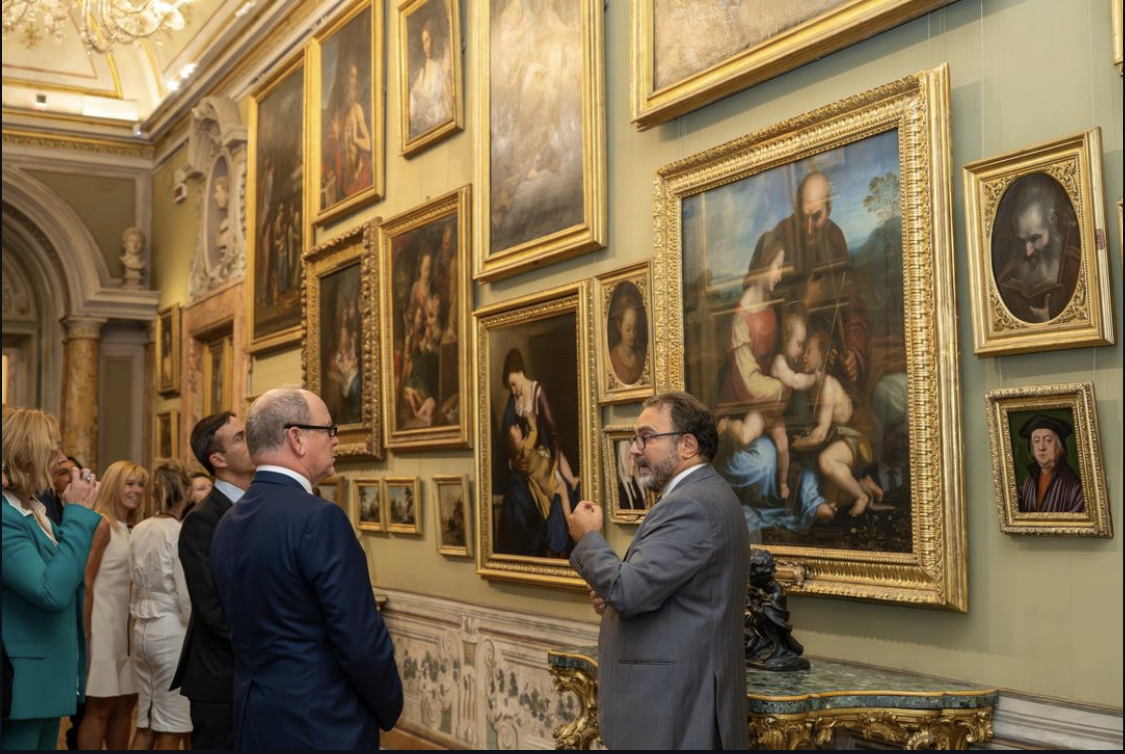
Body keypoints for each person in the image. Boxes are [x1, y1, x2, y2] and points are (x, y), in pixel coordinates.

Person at [211, 389, 402, 748]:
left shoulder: (229, 521)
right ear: (296, 438)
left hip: (255, 719)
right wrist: (390, 705)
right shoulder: (319, 518)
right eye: (329, 429)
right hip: (321, 722)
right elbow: (358, 638)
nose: (336, 440)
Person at [567, 391, 749, 750]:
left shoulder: (691, 504)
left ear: (687, 445)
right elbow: (664, 589)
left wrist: (588, 538)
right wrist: (611, 596)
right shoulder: (703, 495)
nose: (635, 450)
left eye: (646, 437)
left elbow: (629, 592)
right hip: (678, 705)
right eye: (636, 438)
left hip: (673, 712)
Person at [2, 409, 101, 750]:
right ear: (26, 455)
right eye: (53, 448)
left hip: (46, 678)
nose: (63, 459)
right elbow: (51, 591)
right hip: (21, 683)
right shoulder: (6, 517)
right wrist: (78, 515)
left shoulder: (36, 512)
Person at [171, 412, 255, 750]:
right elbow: (212, 607)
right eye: (240, 437)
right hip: (221, 676)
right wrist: (272, 645)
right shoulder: (202, 521)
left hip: (261, 674)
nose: (252, 440)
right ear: (218, 460)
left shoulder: (263, 506)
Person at [78, 461, 147, 750]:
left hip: (128, 629)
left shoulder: (135, 528)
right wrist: (85, 634)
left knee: (125, 704)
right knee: (101, 707)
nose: (137, 490)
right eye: (129, 483)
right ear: (113, 486)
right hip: (101, 626)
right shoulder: (101, 523)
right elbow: (86, 582)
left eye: (141, 485)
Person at [129, 460, 193, 749]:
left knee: (146, 719)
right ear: (186, 492)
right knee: (172, 725)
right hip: (171, 631)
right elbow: (185, 595)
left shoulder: (139, 528)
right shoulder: (178, 532)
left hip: (142, 629)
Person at [497, 348, 579, 558]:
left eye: (513, 384)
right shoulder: (513, 401)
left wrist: (554, 465)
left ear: (520, 372)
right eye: (510, 386)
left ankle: (559, 546)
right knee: (516, 492)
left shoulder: (537, 392)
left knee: (560, 493)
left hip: (544, 460)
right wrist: (514, 462)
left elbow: (553, 434)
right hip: (525, 468)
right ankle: (523, 553)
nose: (513, 390)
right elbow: (507, 439)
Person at [993, 174, 1082, 324]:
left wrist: (1046, 322)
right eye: (1021, 241)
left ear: (1052, 223)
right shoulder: (1008, 271)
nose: (1028, 252)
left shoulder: (1073, 265)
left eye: (1035, 239)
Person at [1016, 414, 1084, 513]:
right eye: (1036, 441)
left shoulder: (1075, 488)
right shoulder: (1029, 483)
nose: (1041, 447)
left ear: (1060, 447)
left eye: (1048, 440)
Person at [409, 17, 454, 138]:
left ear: (435, 37)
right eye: (424, 42)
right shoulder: (421, 74)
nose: (426, 45)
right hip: (428, 132)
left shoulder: (442, 66)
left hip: (444, 127)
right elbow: (413, 108)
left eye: (428, 39)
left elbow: (449, 101)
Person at [607, 286, 647, 387]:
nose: (632, 334)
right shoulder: (614, 359)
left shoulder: (640, 357)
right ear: (619, 326)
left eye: (635, 328)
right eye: (628, 329)